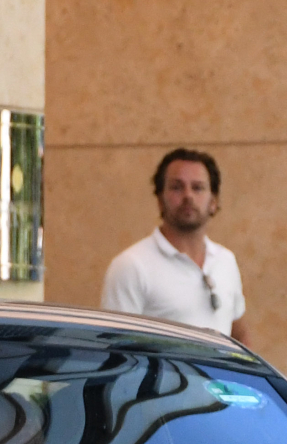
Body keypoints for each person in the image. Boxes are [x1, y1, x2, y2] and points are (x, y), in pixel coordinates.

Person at [98, 148, 250, 345]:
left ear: (214, 202)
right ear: (160, 200)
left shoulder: (225, 260)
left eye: (198, 188)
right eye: (177, 187)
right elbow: (114, 347)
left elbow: (240, 334)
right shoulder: (130, 265)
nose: (188, 196)